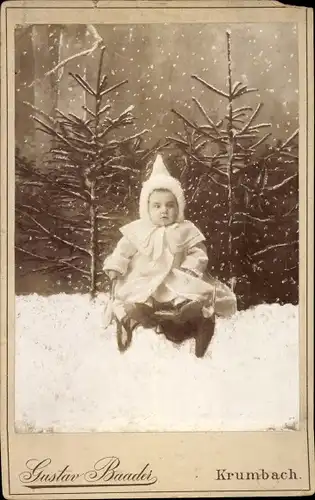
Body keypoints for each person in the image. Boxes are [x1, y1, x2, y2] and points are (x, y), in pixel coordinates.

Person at [103, 154, 237, 357]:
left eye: (170, 205)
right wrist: (115, 266)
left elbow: (198, 252)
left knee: (186, 290)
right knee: (138, 292)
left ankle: (185, 308)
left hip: (176, 275)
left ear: (179, 207)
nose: (164, 211)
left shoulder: (185, 229)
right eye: (157, 206)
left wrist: (191, 267)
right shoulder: (138, 230)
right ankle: (140, 311)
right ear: (146, 208)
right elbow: (122, 251)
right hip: (145, 276)